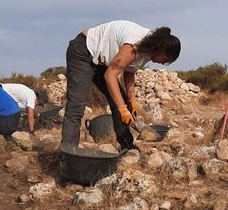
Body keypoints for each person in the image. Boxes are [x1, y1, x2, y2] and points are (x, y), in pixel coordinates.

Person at [61, 20, 180, 151]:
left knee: (123, 101)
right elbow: (110, 75)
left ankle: (127, 147)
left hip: (101, 61)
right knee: (76, 106)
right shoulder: (134, 45)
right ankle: (68, 154)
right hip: (83, 51)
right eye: (165, 60)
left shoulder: (149, 50)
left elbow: (129, 70)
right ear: (160, 50)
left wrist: (132, 100)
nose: (163, 64)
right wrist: (123, 109)